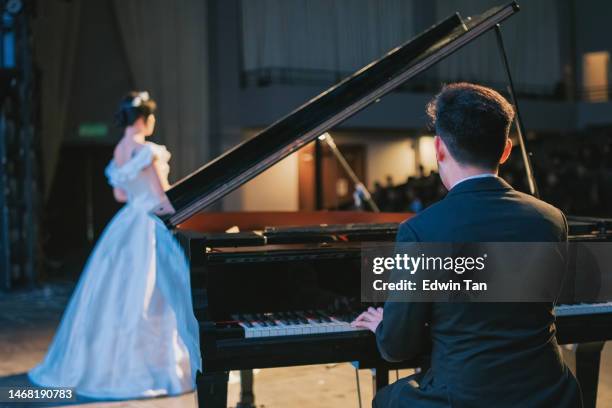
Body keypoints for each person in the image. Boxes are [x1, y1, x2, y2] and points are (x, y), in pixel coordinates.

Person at [352, 83, 581, 407]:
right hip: (550, 393)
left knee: (386, 400)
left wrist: (384, 327)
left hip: (462, 398)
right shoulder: (550, 219)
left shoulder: (420, 232)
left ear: (439, 149)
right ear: (505, 149)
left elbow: (397, 347)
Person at [29, 91, 201, 399]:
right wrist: (187, 211)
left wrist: (142, 197)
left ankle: (110, 365)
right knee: (155, 293)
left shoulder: (119, 152)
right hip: (148, 223)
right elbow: (162, 197)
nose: (153, 123)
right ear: (143, 119)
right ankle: (154, 366)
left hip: (127, 222)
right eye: (152, 118)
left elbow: (121, 196)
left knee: (117, 294)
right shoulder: (147, 151)